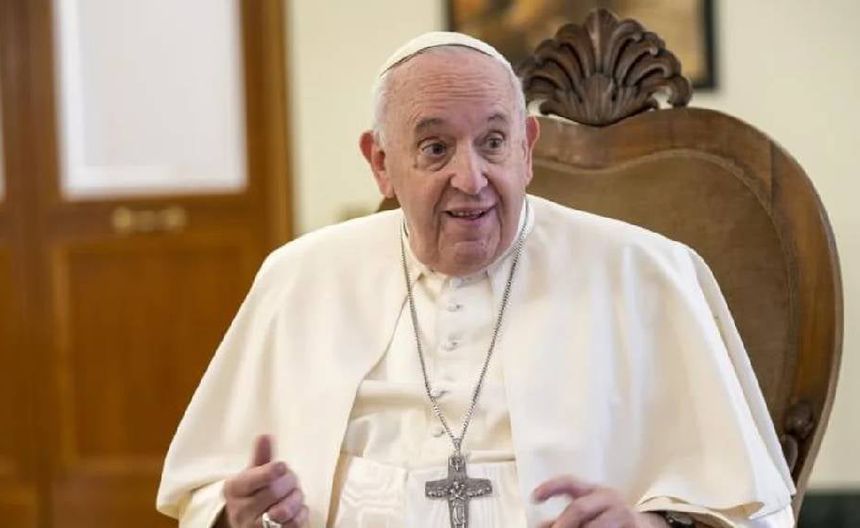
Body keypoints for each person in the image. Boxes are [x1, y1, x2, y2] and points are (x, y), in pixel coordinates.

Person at [156, 32, 795, 528]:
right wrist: (240, 513)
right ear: (380, 163)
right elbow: (208, 492)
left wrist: (643, 525)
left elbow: (748, 512)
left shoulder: (645, 272)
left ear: (527, 148)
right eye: (436, 148)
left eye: (493, 142)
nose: (471, 179)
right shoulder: (300, 278)